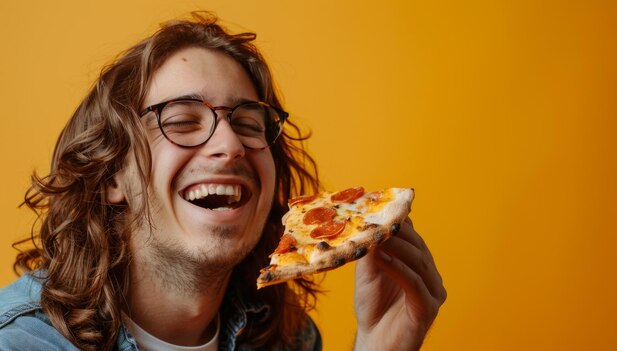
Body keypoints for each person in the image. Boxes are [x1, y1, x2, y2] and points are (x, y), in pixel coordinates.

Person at [0, 12, 446, 351]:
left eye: (250, 124)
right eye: (181, 120)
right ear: (111, 177)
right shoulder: (23, 341)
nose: (231, 144)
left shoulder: (288, 339)